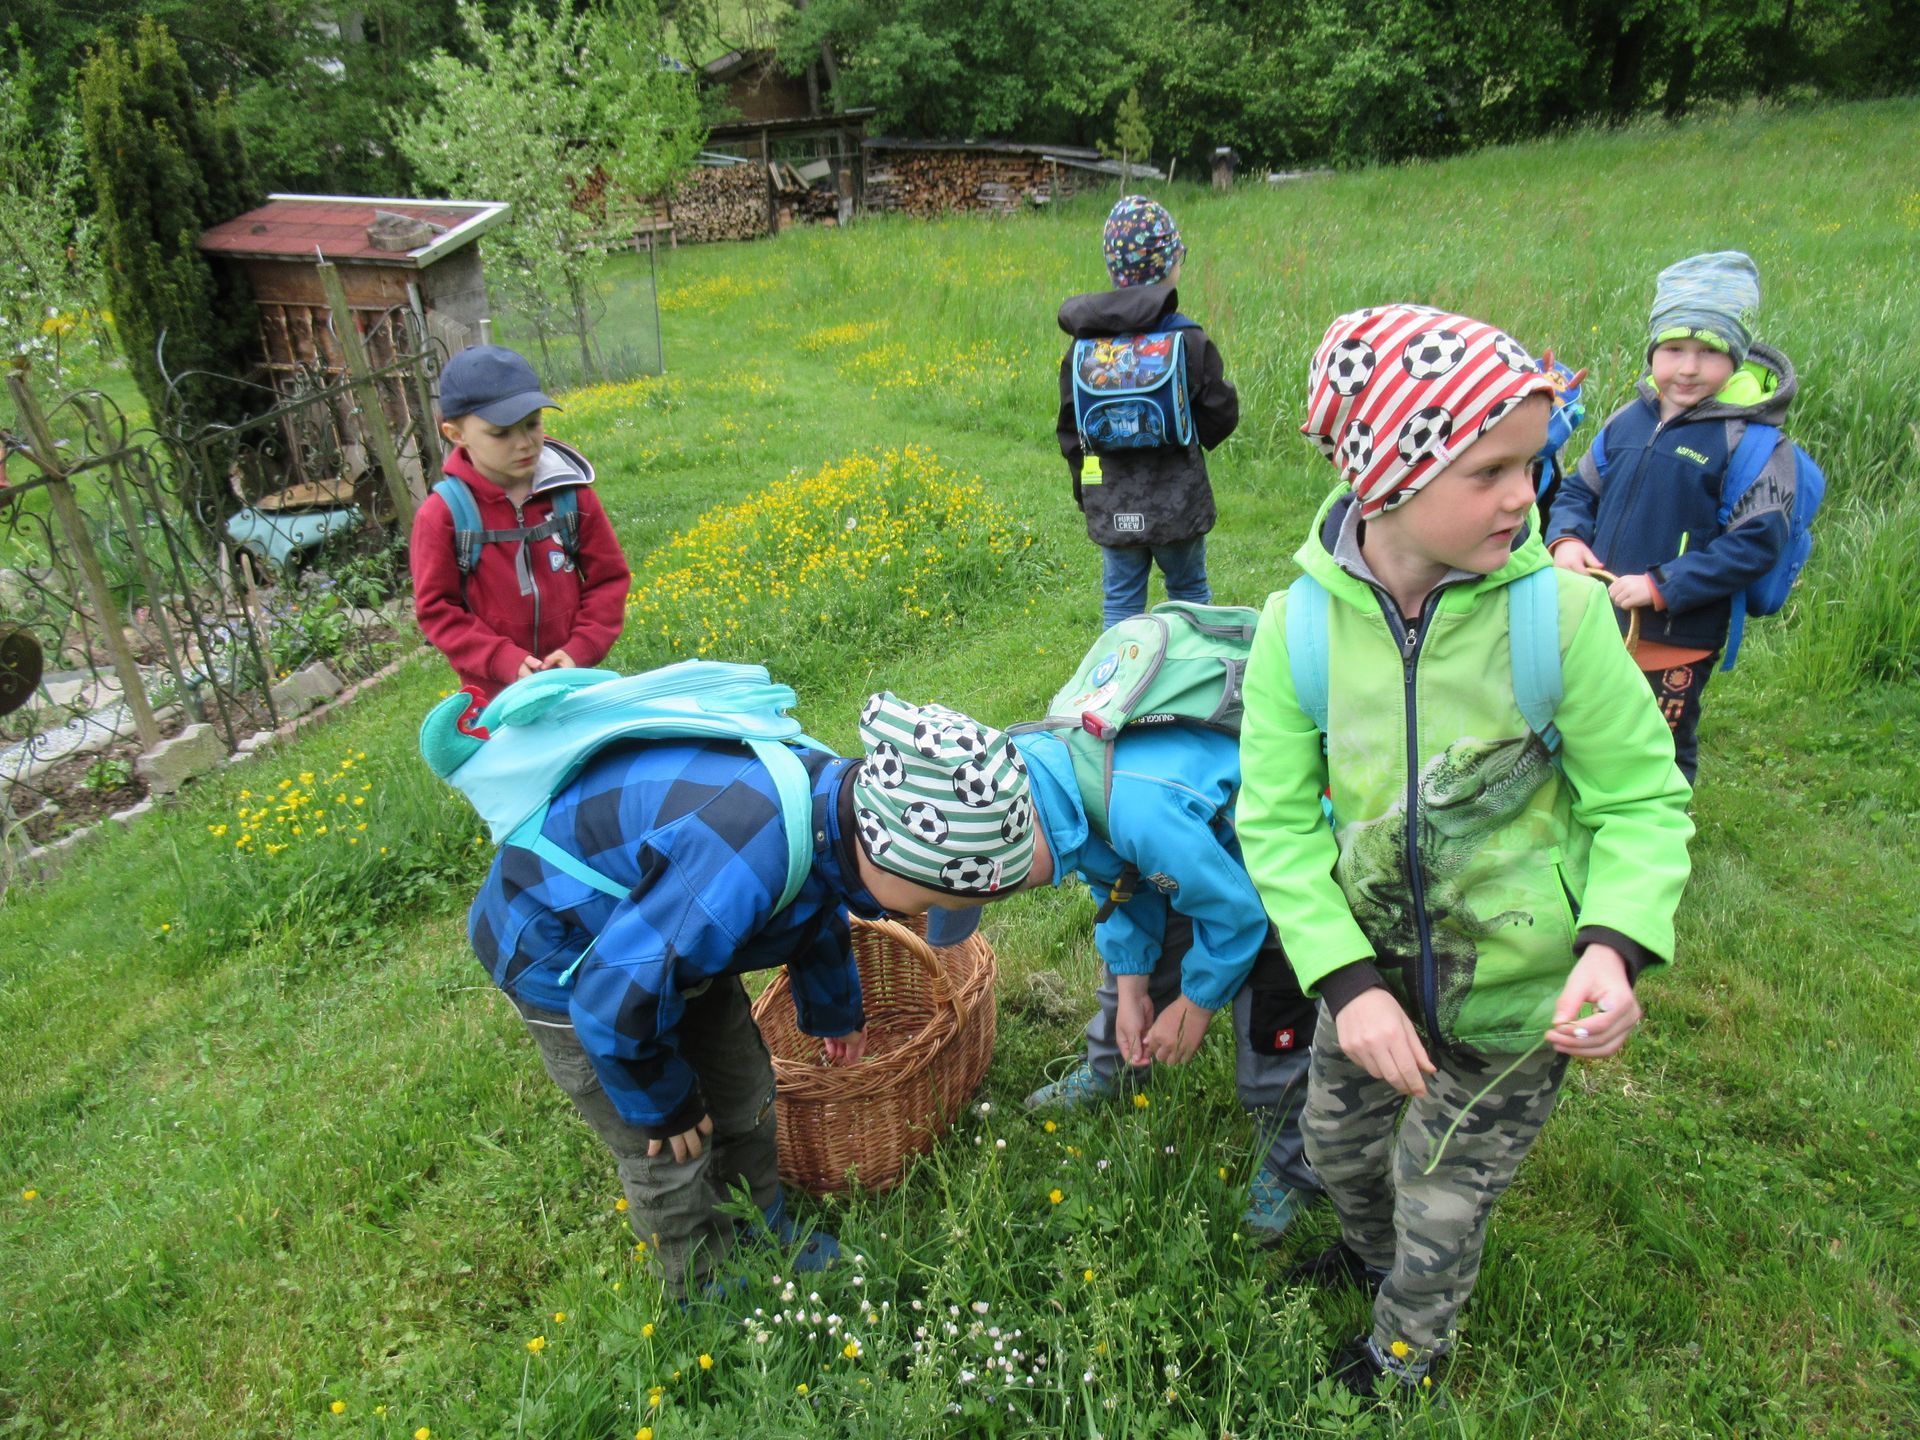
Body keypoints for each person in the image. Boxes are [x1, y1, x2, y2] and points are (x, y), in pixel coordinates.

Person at [1236, 304, 1694, 1402]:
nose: (1524, 496)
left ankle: (1405, 1352)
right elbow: (1277, 828)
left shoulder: (1562, 621)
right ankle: (1368, 1257)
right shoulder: (1297, 632)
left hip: (1518, 1003)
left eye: (1532, 465)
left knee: (1436, 1189)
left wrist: (1615, 946)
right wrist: (1346, 986)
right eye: (1490, 470)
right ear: (1385, 472)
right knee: (1337, 1151)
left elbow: (1643, 801)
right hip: (1369, 983)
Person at [454, 685, 1042, 1299]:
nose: (930, 914)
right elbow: (611, 1003)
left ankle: (762, 1226)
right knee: (668, 1148)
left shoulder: (837, 814)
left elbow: (816, 906)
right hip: (565, 953)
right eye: (935, 901)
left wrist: (835, 1013)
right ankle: (699, 1283)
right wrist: (666, 1106)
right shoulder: (738, 860)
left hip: (664, 937)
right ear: (892, 859)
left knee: (745, 1089)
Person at [1013, 737, 1322, 1245]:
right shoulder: (1058, 793)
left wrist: (1195, 1005)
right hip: (1192, 856)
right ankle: (1113, 1070)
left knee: (1273, 1030)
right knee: (1138, 979)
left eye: (1017, 879)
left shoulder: (1141, 812)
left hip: (1269, 870)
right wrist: (1132, 984)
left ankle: (1292, 1164)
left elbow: (1238, 916)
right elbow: (1119, 881)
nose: (1020, 890)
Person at [1544, 251, 1801, 785]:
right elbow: (1579, 491)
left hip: (1676, 636)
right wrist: (1566, 539)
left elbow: (1756, 543)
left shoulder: (1753, 443)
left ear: (1736, 357)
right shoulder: (1627, 421)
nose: (1687, 368)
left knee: (1658, 746)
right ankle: (1589, 818)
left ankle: (1660, 830)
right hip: (1597, 623)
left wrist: (1660, 585)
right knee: (1586, 731)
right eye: (1674, 349)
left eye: (1709, 352)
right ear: (1653, 351)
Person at [1056, 196, 1239, 628]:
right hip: (1178, 501)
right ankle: (1196, 665)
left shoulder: (1084, 348)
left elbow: (1071, 431)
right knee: (1189, 593)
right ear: (1169, 265)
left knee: (1121, 603)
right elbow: (1220, 415)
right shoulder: (1186, 339)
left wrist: (1087, 492)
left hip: (1113, 500)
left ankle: (1121, 672)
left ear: (1113, 268)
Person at [411, 345, 631, 704]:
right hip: (493, 699)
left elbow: (608, 580)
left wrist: (581, 647)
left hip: (574, 682)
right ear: (455, 434)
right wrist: (500, 658)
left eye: (532, 424)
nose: (525, 443)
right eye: (502, 433)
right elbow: (438, 610)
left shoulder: (571, 497)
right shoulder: (442, 516)